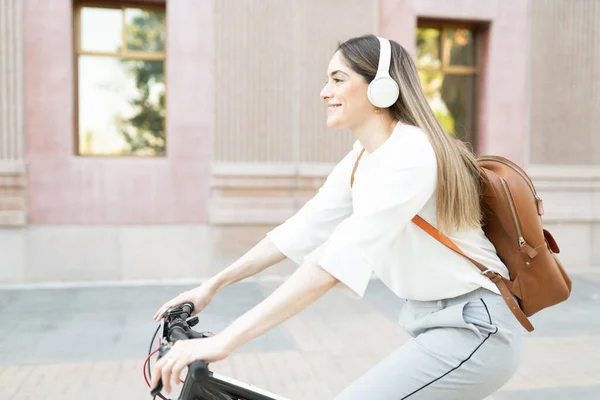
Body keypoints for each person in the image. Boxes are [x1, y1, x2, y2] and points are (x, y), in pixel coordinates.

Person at [150, 34, 524, 399]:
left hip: (476, 329)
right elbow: (299, 230)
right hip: (435, 325)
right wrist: (211, 286)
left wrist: (225, 340)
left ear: (382, 89)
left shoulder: (412, 154)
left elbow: (332, 264)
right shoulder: (363, 156)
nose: (324, 92)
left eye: (338, 79)